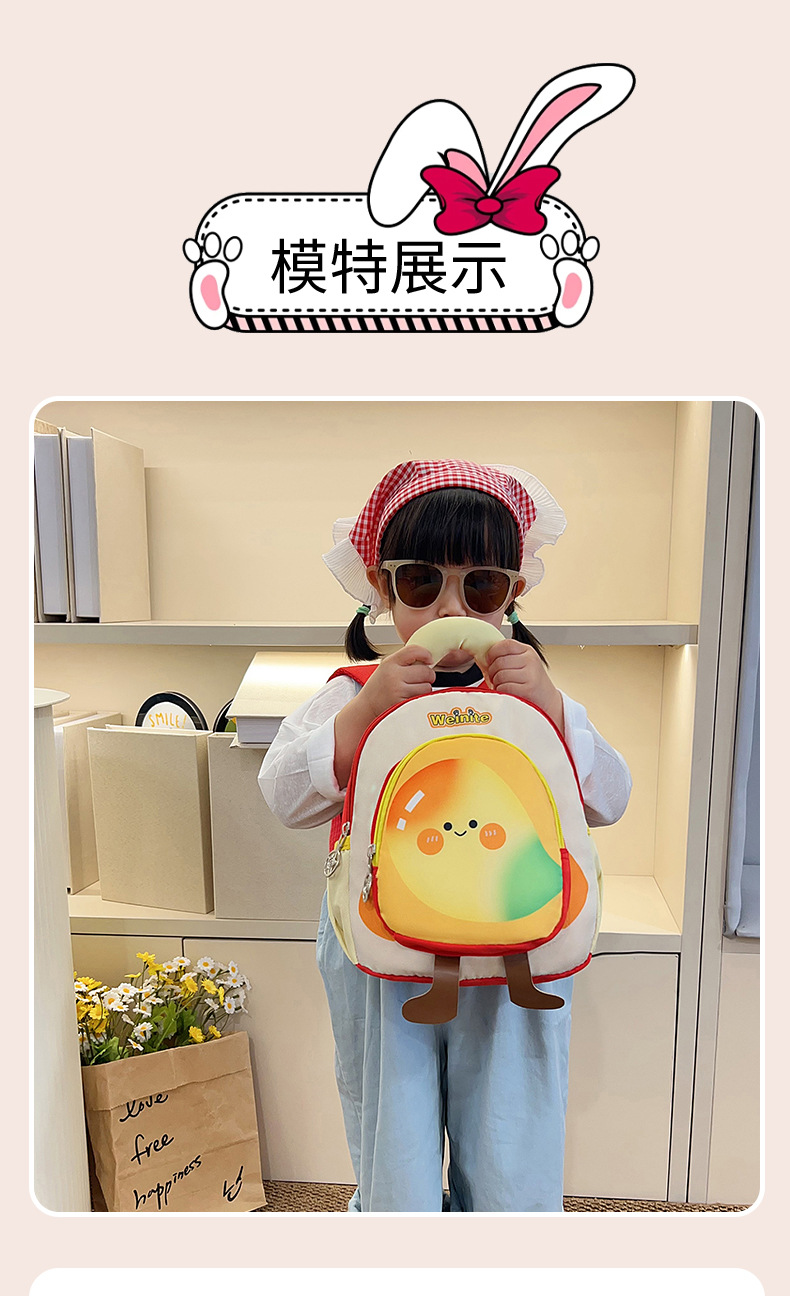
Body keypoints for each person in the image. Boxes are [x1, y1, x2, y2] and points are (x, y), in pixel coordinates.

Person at [259, 459, 631, 1212]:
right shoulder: (352, 692)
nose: (450, 608)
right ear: (381, 585)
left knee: (512, 1139)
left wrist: (556, 710)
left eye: (480, 586)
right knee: (393, 1139)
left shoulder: (535, 696)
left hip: (517, 938)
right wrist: (362, 714)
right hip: (382, 941)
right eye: (422, 583)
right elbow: (285, 796)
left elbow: (610, 799)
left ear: (513, 593)